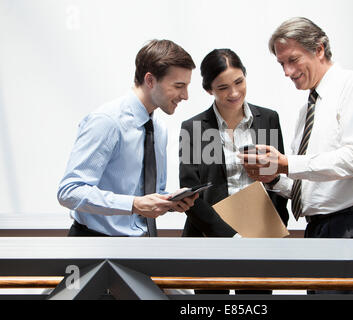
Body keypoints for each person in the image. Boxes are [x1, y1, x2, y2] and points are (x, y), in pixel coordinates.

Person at [239, 17, 353, 294]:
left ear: (319, 49)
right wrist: (273, 177)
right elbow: (308, 184)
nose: (287, 71)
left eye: (292, 59)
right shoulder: (308, 109)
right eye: (282, 64)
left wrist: (286, 163)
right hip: (320, 229)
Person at [57, 39, 198, 237]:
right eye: (178, 86)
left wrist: (171, 202)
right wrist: (133, 204)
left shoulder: (158, 129)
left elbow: (149, 193)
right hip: (96, 246)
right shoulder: (107, 122)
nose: (185, 95)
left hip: (143, 245)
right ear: (150, 80)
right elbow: (69, 191)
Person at [179, 48, 289, 294]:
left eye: (239, 82)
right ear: (209, 90)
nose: (234, 93)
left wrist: (277, 226)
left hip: (260, 236)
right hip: (210, 236)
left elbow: (278, 177)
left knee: (255, 306)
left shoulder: (268, 119)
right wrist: (228, 236)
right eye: (222, 87)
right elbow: (190, 191)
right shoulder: (193, 127)